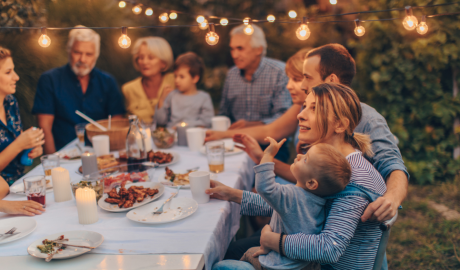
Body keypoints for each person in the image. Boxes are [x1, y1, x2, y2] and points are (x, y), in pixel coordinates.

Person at [206, 44, 408, 225]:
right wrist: (233, 192)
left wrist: (391, 199)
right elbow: (300, 199)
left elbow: (393, 164)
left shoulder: (367, 121)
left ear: (331, 81)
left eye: (306, 77)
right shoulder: (311, 114)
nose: (301, 85)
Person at [211, 83, 388, 269]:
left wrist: (274, 240)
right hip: (306, 263)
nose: (300, 114)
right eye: (305, 106)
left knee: (225, 266)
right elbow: (296, 206)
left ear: (340, 124)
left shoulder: (353, 179)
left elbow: (330, 249)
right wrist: (232, 195)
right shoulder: (329, 166)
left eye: (314, 109)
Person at [240, 139, 351, 270]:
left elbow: (264, 187)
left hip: (279, 264)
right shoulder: (322, 202)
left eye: (305, 159)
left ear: (311, 183)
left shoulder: (290, 195)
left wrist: (268, 156)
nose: (299, 156)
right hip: (305, 265)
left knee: (247, 254)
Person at [33, 26, 125, 153]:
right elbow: (44, 127)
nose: (82, 59)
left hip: (102, 152)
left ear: (96, 56)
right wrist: (53, 161)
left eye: (89, 54)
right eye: (77, 52)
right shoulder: (49, 80)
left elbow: (116, 122)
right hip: (64, 154)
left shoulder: (108, 81)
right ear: (69, 51)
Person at [219, 24, 292, 162]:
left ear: (258, 49)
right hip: (235, 145)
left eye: (240, 48)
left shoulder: (279, 72)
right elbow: (224, 113)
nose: (234, 55)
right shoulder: (232, 74)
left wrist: (252, 124)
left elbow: (284, 117)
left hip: (271, 146)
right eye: (232, 49)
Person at [0, 47, 44, 185]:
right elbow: (15, 145)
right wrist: (19, 144)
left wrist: (30, 147)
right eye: (8, 72)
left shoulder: (10, 102)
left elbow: (16, 146)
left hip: (21, 183)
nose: (16, 77)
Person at [122, 37, 175, 123]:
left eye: (151, 58)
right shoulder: (128, 89)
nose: (144, 62)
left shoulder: (175, 80)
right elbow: (126, 122)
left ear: (163, 62)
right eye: (141, 57)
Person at [154, 52, 214, 128]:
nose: (176, 80)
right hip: (172, 136)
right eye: (175, 76)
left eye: (181, 77)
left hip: (193, 135)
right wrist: (161, 100)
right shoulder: (172, 95)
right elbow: (160, 121)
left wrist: (183, 126)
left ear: (195, 78)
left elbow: (206, 122)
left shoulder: (204, 98)